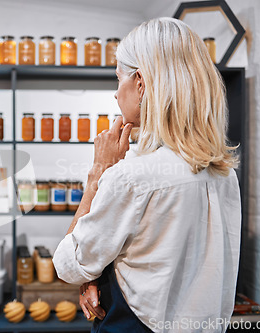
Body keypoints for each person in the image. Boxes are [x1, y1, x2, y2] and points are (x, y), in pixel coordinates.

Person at [52, 17, 241, 333]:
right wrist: (94, 275)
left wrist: (98, 172)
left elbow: (68, 265)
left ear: (139, 83)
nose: (116, 94)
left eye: (118, 79)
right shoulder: (222, 173)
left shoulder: (131, 177)